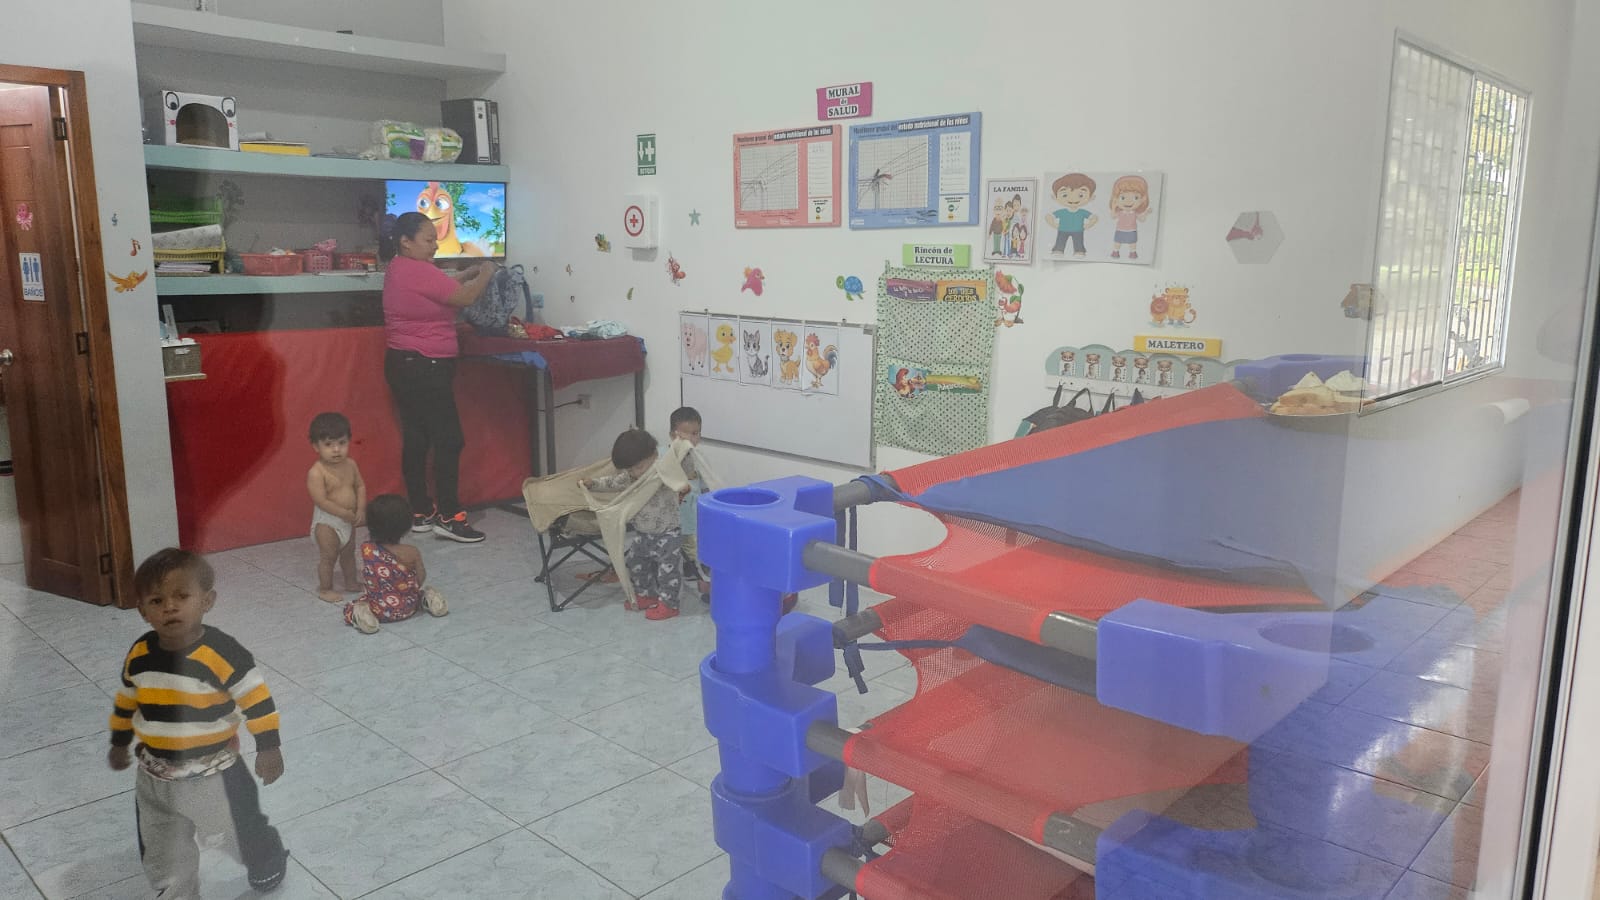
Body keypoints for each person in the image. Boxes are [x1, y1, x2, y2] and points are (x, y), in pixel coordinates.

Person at [107, 548, 289, 898]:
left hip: (216, 774)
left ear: (207, 601)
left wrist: (269, 748)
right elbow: (127, 699)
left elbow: (258, 700)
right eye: (157, 600)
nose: (170, 607)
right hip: (155, 775)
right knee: (162, 849)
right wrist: (119, 741)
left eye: (182, 596)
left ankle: (266, 858)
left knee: (241, 831)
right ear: (142, 610)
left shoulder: (222, 653)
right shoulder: (140, 654)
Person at [380, 210, 495, 544]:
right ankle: (450, 516)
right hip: (425, 366)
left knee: (417, 438)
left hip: (403, 363)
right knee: (449, 439)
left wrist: (467, 272)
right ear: (406, 241)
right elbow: (465, 297)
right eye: (429, 240)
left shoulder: (400, 267)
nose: (434, 245)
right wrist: (486, 272)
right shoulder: (416, 270)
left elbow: (440, 286)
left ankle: (421, 512)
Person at [580, 429, 685, 620]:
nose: (635, 473)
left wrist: (683, 482)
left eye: (638, 467)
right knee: (636, 564)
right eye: (629, 470)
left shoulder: (662, 472)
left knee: (668, 572)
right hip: (643, 533)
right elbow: (613, 482)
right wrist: (593, 484)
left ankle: (670, 604)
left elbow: (681, 474)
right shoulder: (632, 477)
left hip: (668, 534)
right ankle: (646, 594)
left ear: (654, 455)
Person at [346, 494, 449, 634]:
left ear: (371, 525)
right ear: (406, 526)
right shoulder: (412, 552)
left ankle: (363, 616)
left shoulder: (367, 549)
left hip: (379, 610)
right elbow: (421, 577)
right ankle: (429, 601)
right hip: (409, 607)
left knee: (355, 604)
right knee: (420, 593)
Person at [306, 412, 365, 603]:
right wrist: (343, 513)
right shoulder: (317, 472)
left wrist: (360, 509)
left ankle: (351, 582)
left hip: (348, 519)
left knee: (348, 553)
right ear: (316, 446)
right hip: (327, 523)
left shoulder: (351, 465)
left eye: (342, 443)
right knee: (329, 556)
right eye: (328, 444)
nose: (336, 449)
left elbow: (360, 486)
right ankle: (325, 589)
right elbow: (321, 501)